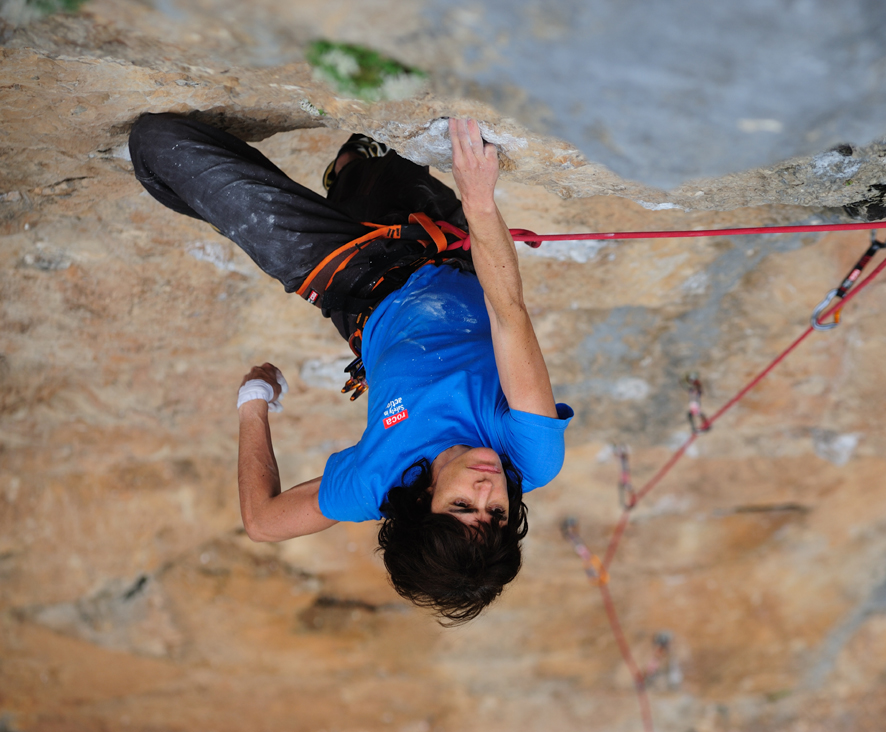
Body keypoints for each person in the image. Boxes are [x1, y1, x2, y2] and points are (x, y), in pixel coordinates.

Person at [128, 113, 574, 624]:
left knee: (159, 144)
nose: (486, 491)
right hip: (449, 251)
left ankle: (352, 181)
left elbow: (262, 522)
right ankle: (357, 171)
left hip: (357, 282)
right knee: (380, 151)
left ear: (424, 499)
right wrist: (478, 201)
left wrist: (254, 402)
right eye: (496, 514)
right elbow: (507, 314)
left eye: (461, 508)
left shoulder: (376, 482)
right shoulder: (528, 456)